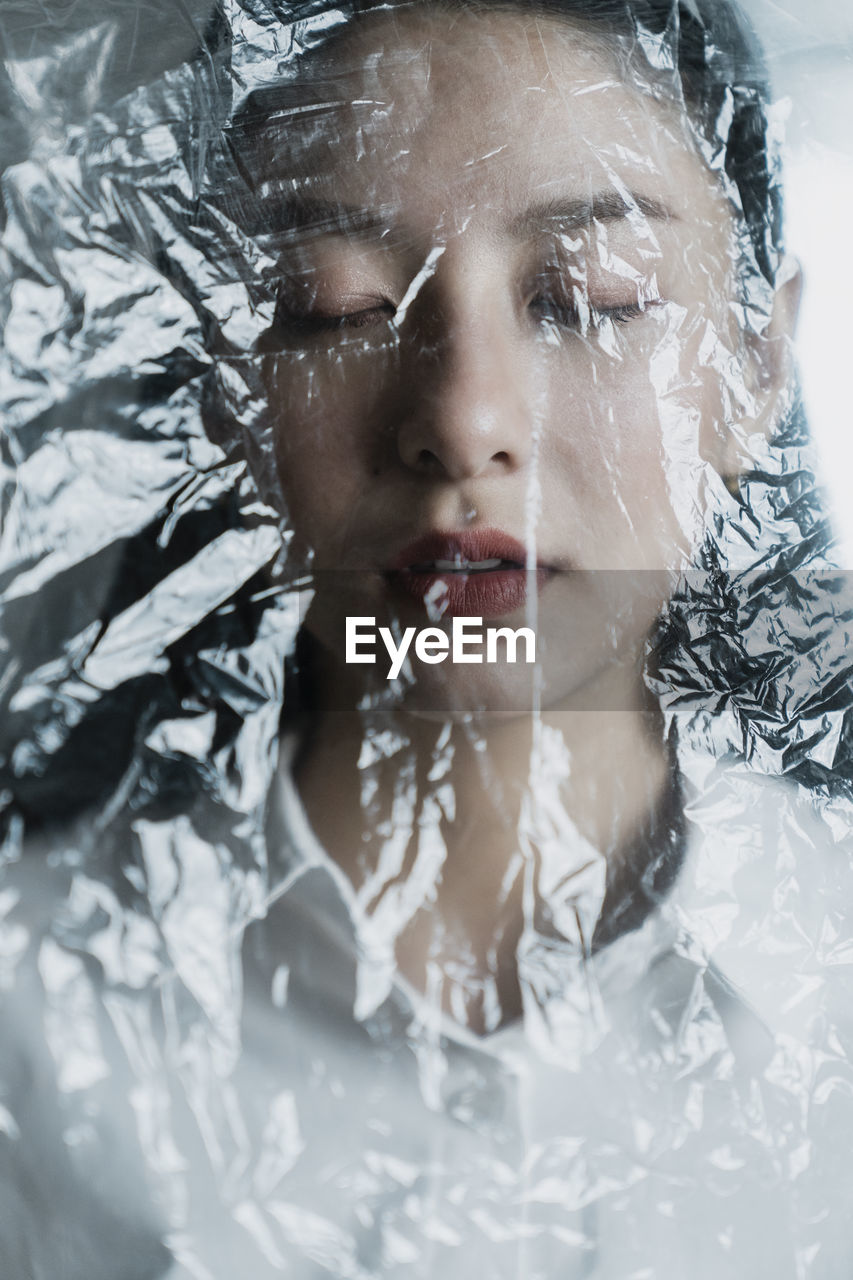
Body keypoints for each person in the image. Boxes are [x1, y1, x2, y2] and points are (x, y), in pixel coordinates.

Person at [1, 0, 852, 1277]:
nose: (463, 419)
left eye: (585, 297)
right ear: (231, 384)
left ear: (754, 367)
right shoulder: (37, 1016)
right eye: (332, 304)